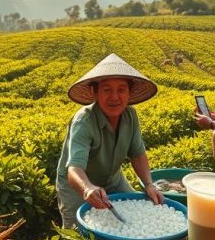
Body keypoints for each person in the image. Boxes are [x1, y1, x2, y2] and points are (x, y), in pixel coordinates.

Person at [56, 54, 164, 228]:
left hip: (113, 180)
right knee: (79, 232)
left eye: (121, 90)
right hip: (78, 187)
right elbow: (74, 169)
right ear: (95, 92)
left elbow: (138, 154)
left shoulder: (130, 115)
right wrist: (87, 189)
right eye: (107, 90)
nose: (115, 97)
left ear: (129, 93)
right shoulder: (84, 121)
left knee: (136, 218)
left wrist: (149, 184)